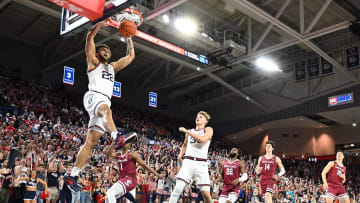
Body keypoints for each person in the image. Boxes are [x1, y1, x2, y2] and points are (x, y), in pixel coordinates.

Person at [64, 19, 137, 192]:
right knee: (106, 109)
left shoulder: (112, 68)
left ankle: (72, 175)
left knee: (90, 143)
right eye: (102, 49)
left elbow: (131, 56)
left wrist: (129, 37)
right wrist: (98, 25)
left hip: (104, 101)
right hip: (94, 97)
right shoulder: (93, 62)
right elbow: (90, 38)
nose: (105, 51)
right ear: (97, 53)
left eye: (108, 50)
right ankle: (116, 136)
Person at [169, 111, 214, 203]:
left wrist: (187, 131)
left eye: (201, 117)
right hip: (188, 162)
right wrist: (180, 155)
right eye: (197, 116)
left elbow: (202, 139)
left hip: (201, 164)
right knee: (177, 189)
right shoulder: (190, 132)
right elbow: (185, 144)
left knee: (206, 195)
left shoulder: (208, 129)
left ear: (205, 121)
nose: (198, 118)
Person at [105, 134, 164, 203]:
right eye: (128, 142)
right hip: (123, 180)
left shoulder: (131, 154)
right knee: (108, 197)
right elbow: (108, 154)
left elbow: (144, 165)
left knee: (110, 192)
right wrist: (113, 141)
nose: (130, 143)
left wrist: (157, 175)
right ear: (123, 144)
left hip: (130, 179)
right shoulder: (118, 154)